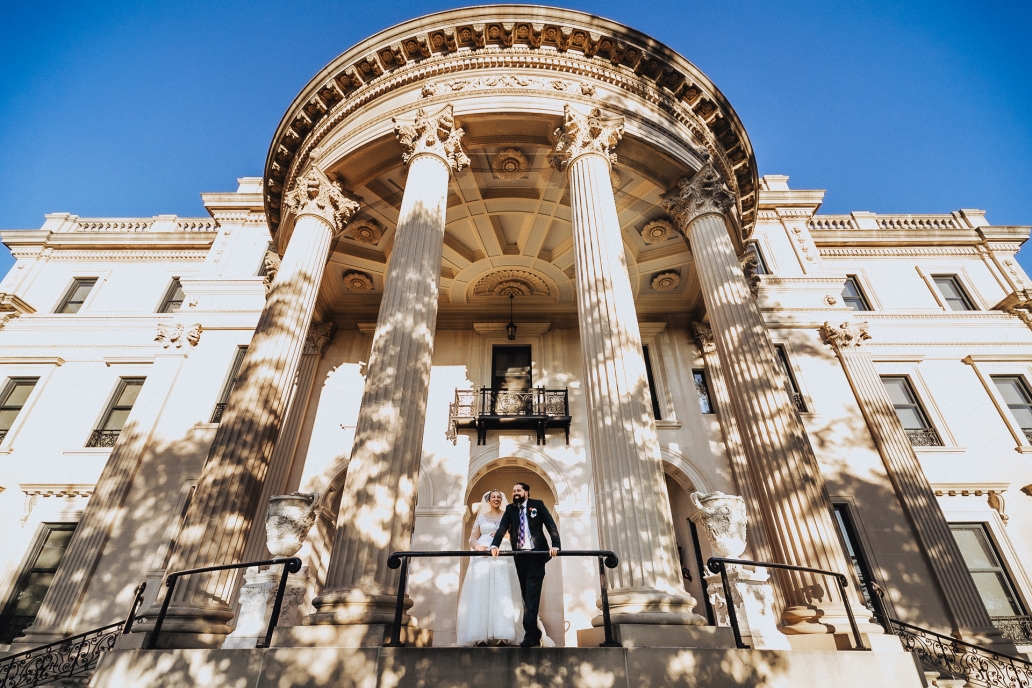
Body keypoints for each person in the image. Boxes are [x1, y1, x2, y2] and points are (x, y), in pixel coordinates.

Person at [490, 482, 561, 648]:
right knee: (526, 596)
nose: (515, 493)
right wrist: (495, 545)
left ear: (526, 493)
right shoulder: (510, 509)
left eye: (518, 490)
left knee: (532, 597)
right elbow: (502, 528)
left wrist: (555, 544)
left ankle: (530, 635)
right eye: (513, 490)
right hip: (520, 558)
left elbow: (551, 525)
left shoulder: (537, 505)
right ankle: (535, 633)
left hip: (536, 557)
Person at [455, 490, 522, 646]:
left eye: (499, 497)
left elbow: (517, 535)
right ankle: (480, 636)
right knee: (481, 592)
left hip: (502, 556)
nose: (497, 499)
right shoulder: (481, 518)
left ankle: (503, 635)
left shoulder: (508, 515)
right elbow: (472, 538)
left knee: (502, 591)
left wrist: (503, 535)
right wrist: (478, 547)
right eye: (494, 497)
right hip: (482, 556)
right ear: (489, 500)